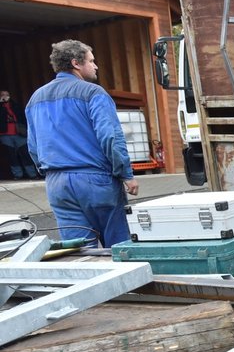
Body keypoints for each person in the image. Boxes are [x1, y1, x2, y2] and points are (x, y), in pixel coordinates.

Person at [27, 40, 139, 247]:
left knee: (79, 250)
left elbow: (33, 146)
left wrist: (49, 172)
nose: (95, 66)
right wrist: (126, 174)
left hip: (57, 184)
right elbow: (110, 138)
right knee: (119, 248)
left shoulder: (35, 98)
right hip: (95, 180)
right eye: (91, 61)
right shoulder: (93, 93)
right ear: (76, 63)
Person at [1, 90, 39, 179]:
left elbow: (21, 116)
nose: (5, 96)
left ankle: (32, 174)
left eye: (7, 95)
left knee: (25, 153)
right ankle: (18, 175)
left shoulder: (15, 105)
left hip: (19, 132)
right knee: (12, 155)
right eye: (3, 95)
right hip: (5, 134)